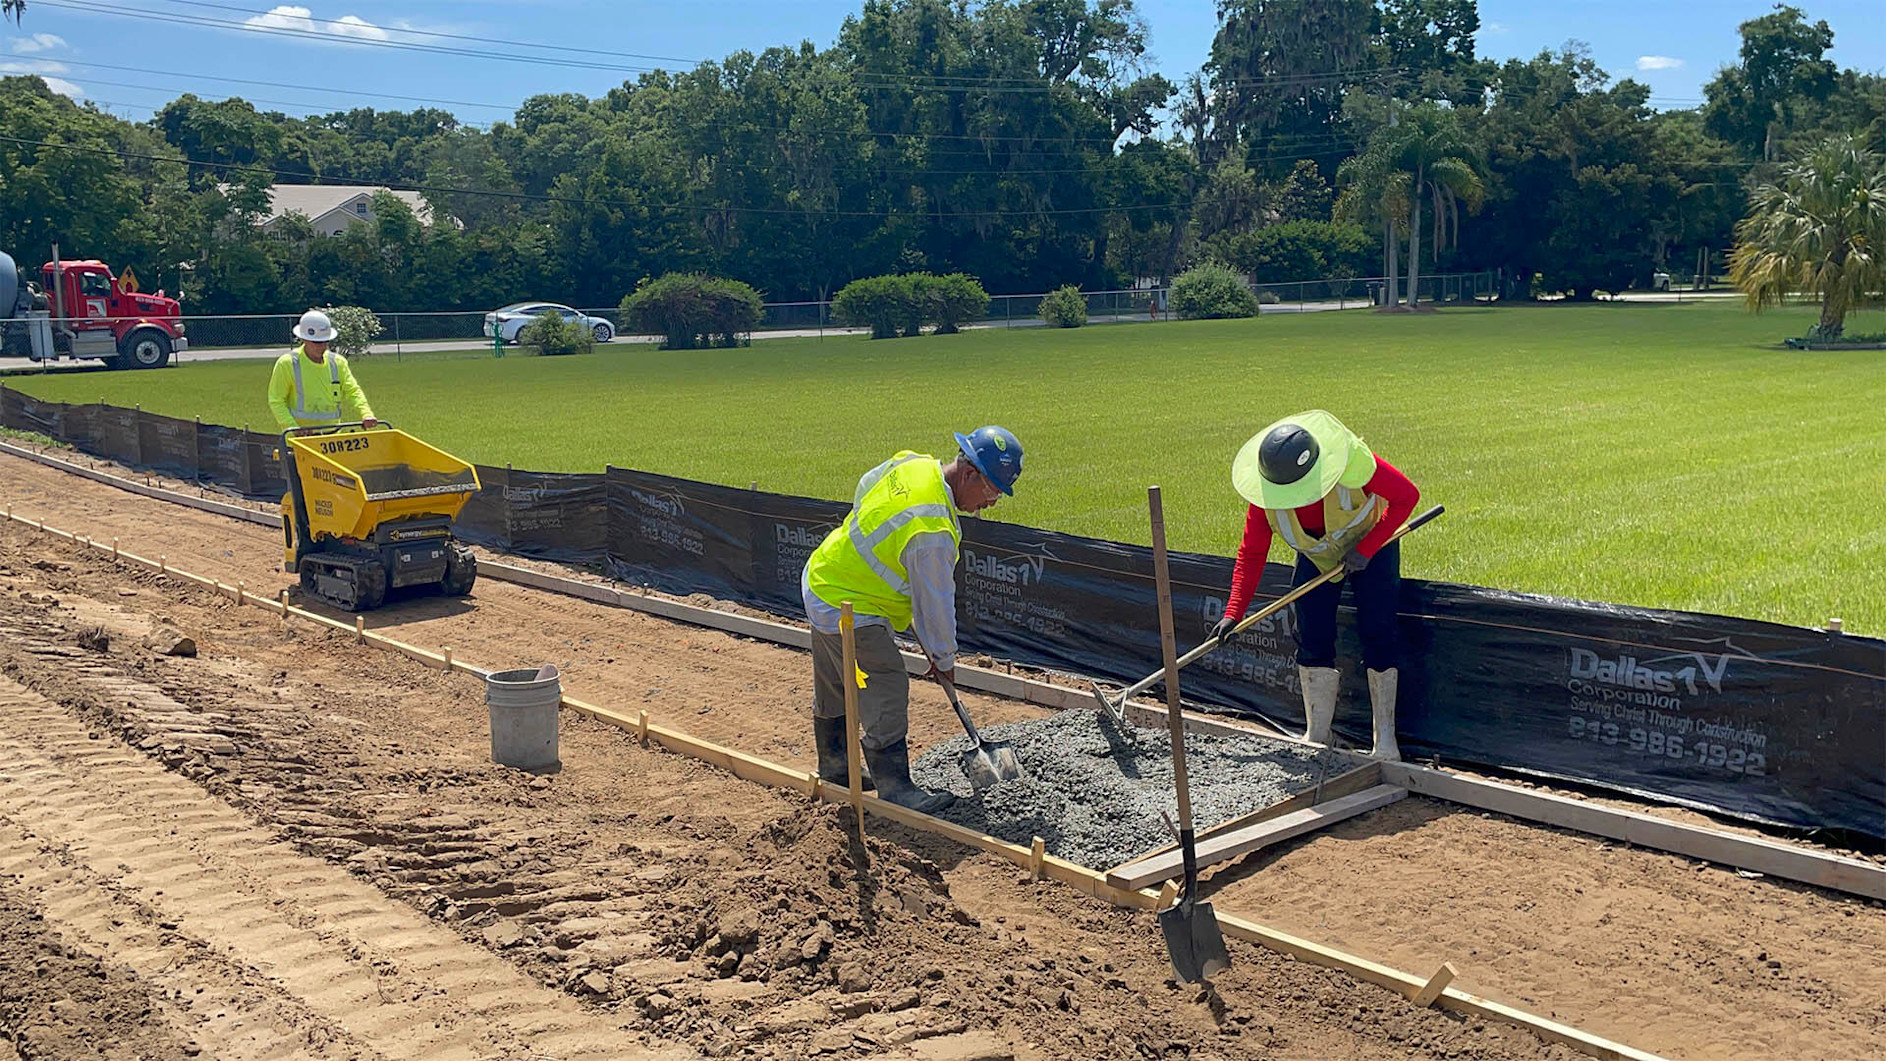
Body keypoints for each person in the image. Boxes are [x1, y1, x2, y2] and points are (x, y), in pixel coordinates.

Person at [802, 426, 1024, 812]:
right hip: (849, 604)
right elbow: (935, 603)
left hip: (825, 576)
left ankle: (835, 768)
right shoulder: (932, 529)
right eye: (991, 492)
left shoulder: (915, 464)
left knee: (836, 679)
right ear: (969, 473)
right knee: (885, 680)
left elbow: (866, 485)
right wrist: (944, 661)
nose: (990, 504)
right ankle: (897, 789)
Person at [1212, 410, 1419, 760]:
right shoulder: (1265, 498)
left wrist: (1367, 549)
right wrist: (1234, 613)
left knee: (1378, 630)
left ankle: (1385, 743)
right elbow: (1252, 553)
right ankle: (1318, 736)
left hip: (1373, 545)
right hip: (1318, 556)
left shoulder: (1354, 464)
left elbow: (1407, 496)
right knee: (1312, 633)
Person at [268, 309, 376, 570]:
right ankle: (308, 546)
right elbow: (276, 400)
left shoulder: (337, 363)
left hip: (332, 442)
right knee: (307, 501)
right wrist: (293, 429)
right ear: (304, 339)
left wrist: (366, 413)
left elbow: (352, 389)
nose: (322, 346)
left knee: (337, 493)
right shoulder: (288, 364)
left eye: (325, 341)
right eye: (317, 342)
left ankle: (341, 536)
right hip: (302, 445)